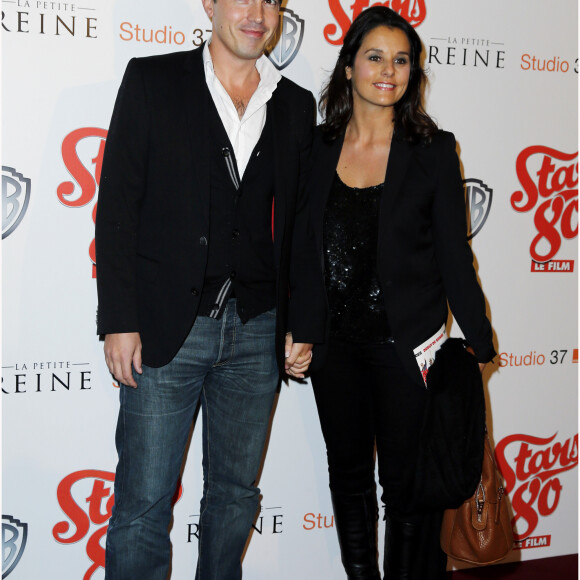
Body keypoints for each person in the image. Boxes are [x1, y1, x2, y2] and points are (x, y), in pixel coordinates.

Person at [94, 0, 326, 578]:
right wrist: (119, 317)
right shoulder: (153, 79)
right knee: (143, 504)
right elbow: (118, 208)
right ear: (208, 3)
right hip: (165, 330)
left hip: (259, 330)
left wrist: (306, 320)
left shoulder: (295, 105)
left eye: (271, 0)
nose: (257, 12)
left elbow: (303, 225)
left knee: (234, 497)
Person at [306, 7, 496, 579]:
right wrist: (297, 328)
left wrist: (480, 345)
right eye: (374, 56)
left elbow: (453, 255)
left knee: (408, 491)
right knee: (348, 479)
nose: (388, 70)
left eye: (401, 60)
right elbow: (296, 251)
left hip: (408, 348)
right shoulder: (314, 148)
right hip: (334, 351)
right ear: (348, 68)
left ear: (413, 72)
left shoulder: (433, 149)